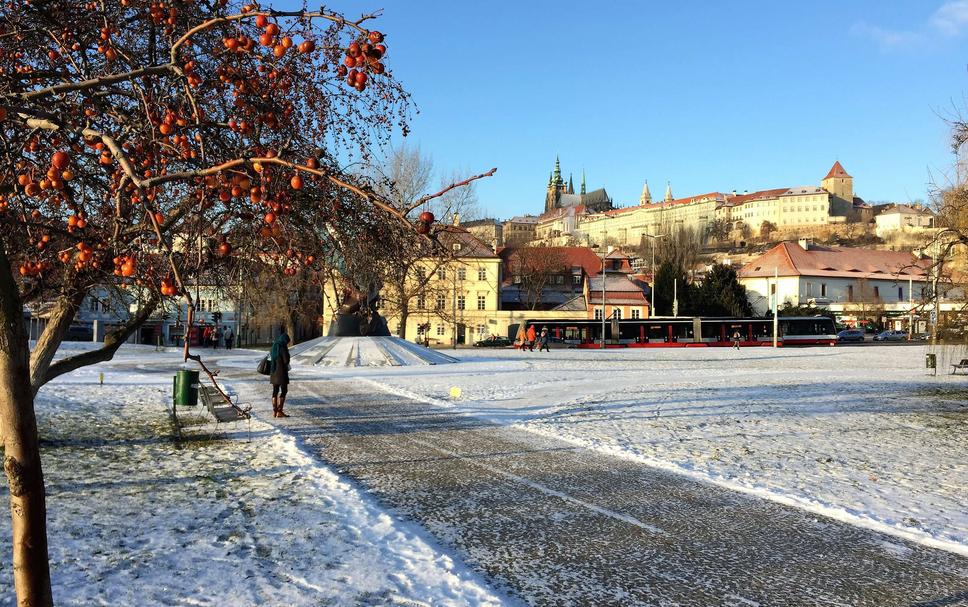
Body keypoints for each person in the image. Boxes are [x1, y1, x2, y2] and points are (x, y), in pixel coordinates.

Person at [269, 332, 291, 417]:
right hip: (282, 373)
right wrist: (288, 354)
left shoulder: (273, 347)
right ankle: (279, 411)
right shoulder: (283, 347)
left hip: (273, 372)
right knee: (284, 390)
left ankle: (274, 411)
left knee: (275, 391)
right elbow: (286, 361)